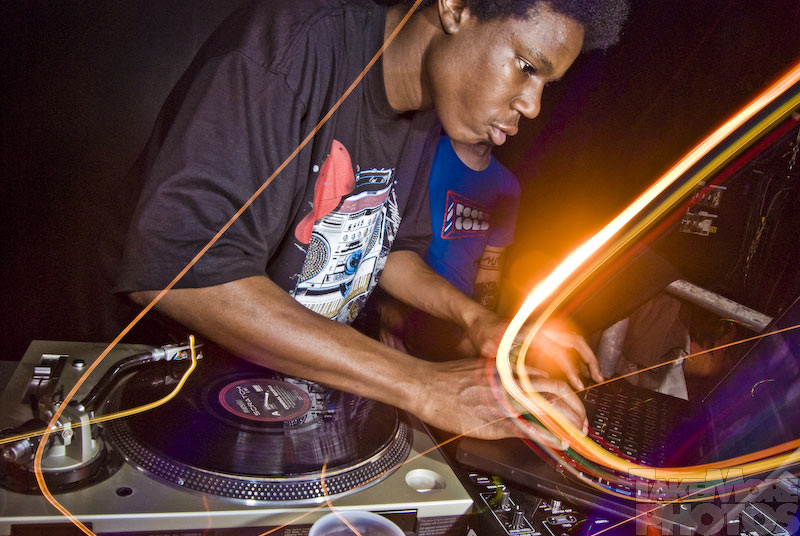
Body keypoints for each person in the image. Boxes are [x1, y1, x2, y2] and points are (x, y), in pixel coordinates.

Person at [112, 0, 628, 443]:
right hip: (156, 395)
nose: (532, 106)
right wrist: (421, 385)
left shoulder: (428, 114)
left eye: (546, 83)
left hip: (280, 400)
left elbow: (391, 251)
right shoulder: (294, 47)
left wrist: (479, 321)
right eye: (526, 66)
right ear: (455, 8)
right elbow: (180, 271)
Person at [375, 136, 521, 358]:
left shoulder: (508, 187)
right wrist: (387, 308)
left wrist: (480, 329)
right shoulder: (421, 154)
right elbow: (382, 240)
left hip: (459, 323)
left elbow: (490, 269)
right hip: (409, 311)